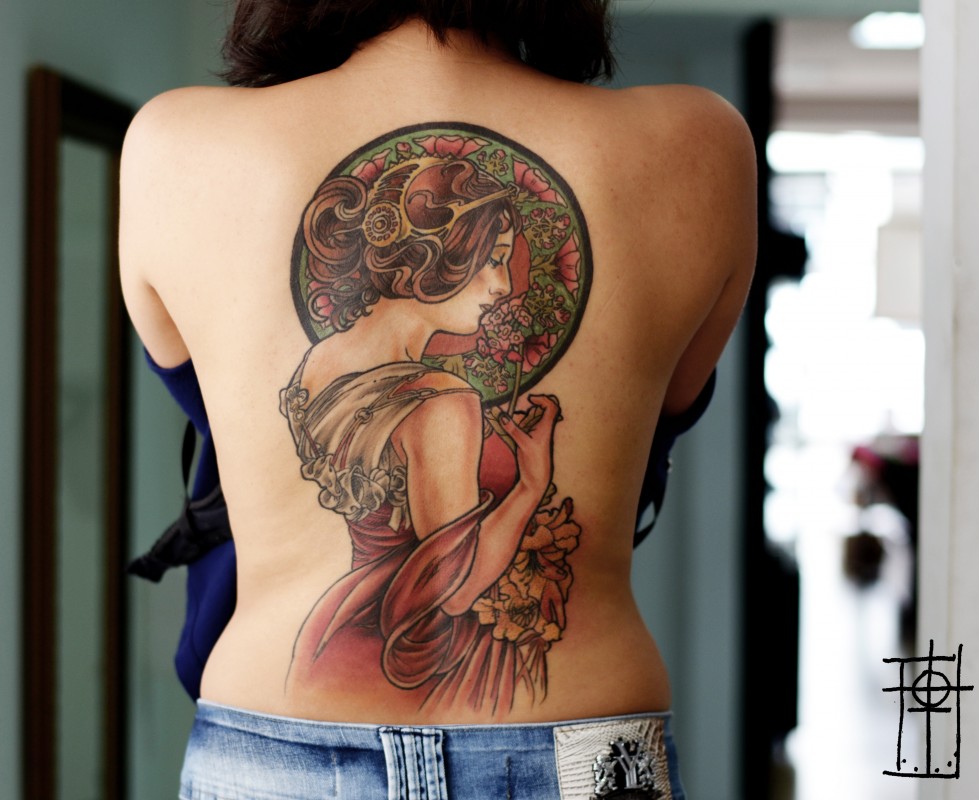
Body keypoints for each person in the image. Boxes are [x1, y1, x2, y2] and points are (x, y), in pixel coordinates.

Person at [119, 1, 756, 797]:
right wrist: (527, 483)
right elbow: (442, 593)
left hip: (287, 731)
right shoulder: (694, 144)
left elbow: (211, 404)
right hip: (577, 749)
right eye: (492, 259)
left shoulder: (175, 146)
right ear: (436, 261)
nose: (504, 286)